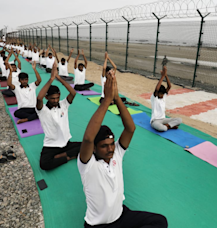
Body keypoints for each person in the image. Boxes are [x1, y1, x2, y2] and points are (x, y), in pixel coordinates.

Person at [78, 71, 168, 228]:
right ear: (94, 148)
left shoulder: (117, 154)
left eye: (111, 144)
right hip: (98, 226)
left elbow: (130, 129)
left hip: (122, 216)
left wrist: (117, 98)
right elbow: (87, 138)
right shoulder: (87, 164)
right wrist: (106, 101)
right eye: (104, 146)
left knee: (160, 222)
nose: (110, 149)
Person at [36, 62, 81, 170]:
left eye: (57, 97)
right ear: (47, 98)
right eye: (52, 98)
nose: (55, 100)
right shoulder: (43, 110)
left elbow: (73, 93)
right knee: (44, 164)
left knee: (87, 145)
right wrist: (51, 79)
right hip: (51, 146)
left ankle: (65, 155)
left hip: (66, 143)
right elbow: (39, 98)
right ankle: (68, 156)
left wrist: (59, 78)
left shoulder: (63, 105)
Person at [150, 66, 182, 132]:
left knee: (179, 120)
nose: (162, 95)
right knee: (162, 129)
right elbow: (156, 89)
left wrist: (165, 75)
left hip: (163, 119)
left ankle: (167, 126)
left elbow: (169, 86)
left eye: (162, 94)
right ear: (158, 93)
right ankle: (169, 126)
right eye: (160, 94)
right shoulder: (154, 98)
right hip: (155, 121)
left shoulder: (163, 97)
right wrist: (162, 77)